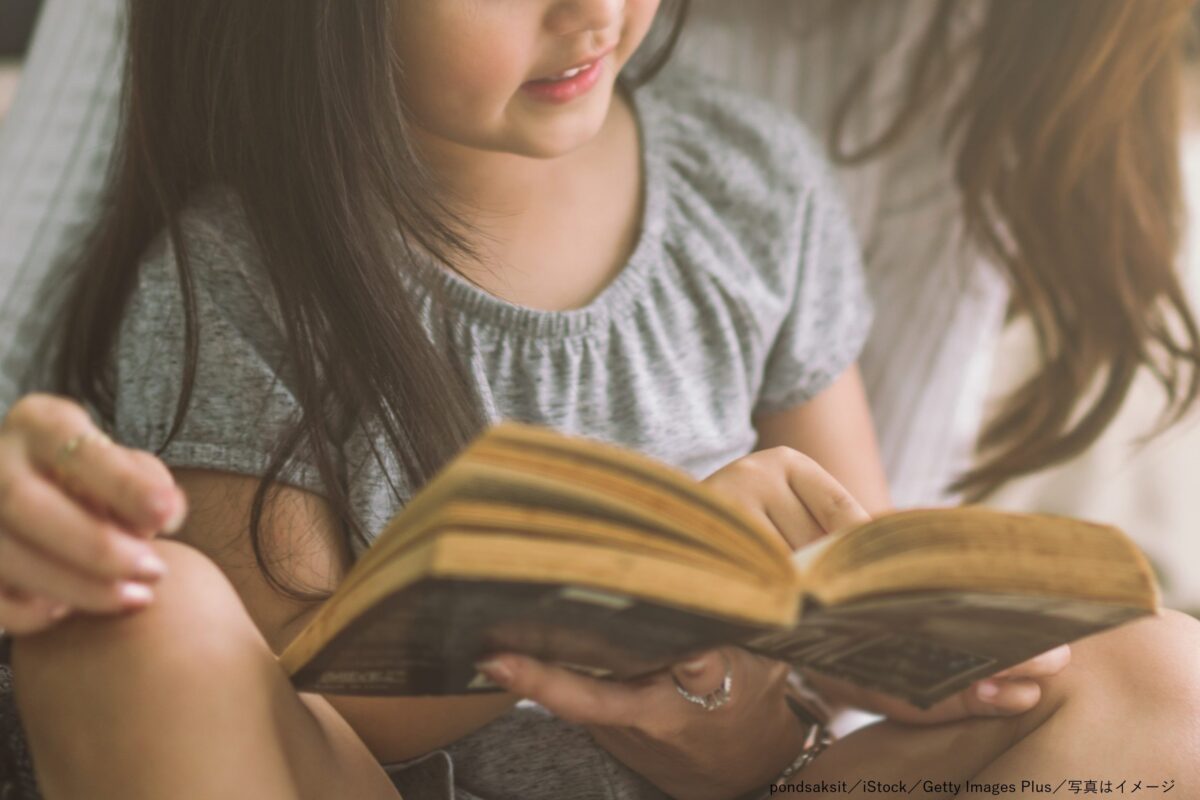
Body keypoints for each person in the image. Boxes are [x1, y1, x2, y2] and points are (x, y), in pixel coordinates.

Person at [1, 3, 1199, 800]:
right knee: (138, 635)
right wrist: (579, 623)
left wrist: (894, 657)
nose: (588, 10)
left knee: (1163, 677)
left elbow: (854, 563)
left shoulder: (751, 177)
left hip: (747, 771)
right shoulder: (241, 275)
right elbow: (285, 694)